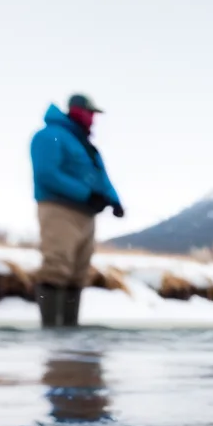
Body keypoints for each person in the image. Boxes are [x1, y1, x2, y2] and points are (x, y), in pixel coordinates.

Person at [30, 94, 123, 328]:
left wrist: (114, 200)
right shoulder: (49, 136)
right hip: (59, 209)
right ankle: (50, 328)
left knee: (78, 272)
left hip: (86, 215)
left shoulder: (86, 145)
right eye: (90, 113)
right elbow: (47, 173)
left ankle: (69, 328)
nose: (93, 119)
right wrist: (86, 194)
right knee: (56, 266)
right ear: (77, 111)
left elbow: (100, 175)